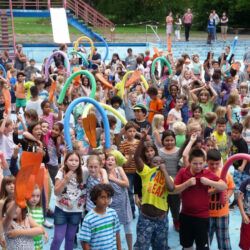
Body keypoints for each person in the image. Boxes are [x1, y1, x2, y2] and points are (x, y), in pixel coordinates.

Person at [174, 148, 227, 250]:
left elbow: (223, 186)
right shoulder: (183, 172)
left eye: (200, 163)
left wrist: (209, 182)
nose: (198, 166)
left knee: (202, 247)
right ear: (190, 162)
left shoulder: (206, 173)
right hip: (186, 216)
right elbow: (174, 190)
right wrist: (187, 184)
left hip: (202, 217)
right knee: (187, 246)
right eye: (195, 163)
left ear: (204, 162)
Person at [134, 128, 175, 250]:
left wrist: (164, 171)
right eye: (155, 162)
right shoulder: (146, 172)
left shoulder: (168, 178)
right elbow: (136, 158)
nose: (157, 163)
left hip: (161, 219)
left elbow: (171, 188)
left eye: (160, 162)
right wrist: (142, 139)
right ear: (151, 164)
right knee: (142, 246)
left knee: (160, 247)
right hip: (145, 217)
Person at [50, 151, 89, 250]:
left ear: (80, 162)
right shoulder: (61, 171)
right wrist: (66, 178)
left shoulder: (84, 171)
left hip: (76, 211)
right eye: (71, 160)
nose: (74, 162)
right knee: (58, 238)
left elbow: (97, 168)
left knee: (70, 239)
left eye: (76, 160)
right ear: (65, 162)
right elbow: (56, 192)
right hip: (61, 210)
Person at [79, 183, 122, 250]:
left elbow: (117, 234)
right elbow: (85, 242)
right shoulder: (89, 219)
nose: (106, 201)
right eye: (102, 197)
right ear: (95, 199)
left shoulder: (113, 213)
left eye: (108, 197)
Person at [207, 149, 234, 250]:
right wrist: (216, 190)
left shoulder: (226, 174)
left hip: (222, 214)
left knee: (224, 240)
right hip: (207, 214)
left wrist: (228, 195)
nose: (214, 166)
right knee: (206, 239)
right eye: (211, 164)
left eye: (217, 163)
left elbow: (231, 187)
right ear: (206, 161)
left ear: (220, 161)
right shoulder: (204, 174)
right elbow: (201, 194)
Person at [105, 154, 133, 250]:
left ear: (116, 163)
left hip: (123, 202)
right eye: (108, 159)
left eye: (113, 160)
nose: (110, 161)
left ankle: (130, 248)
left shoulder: (119, 169)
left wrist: (113, 179)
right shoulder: (104, 173)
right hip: (112, 204)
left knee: (128, 228)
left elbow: (126, 183)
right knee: (114, 229)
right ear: (105, 162)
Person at [119, 121, 140, 218]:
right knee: (129, 191)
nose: (132, 133)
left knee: (139, 191)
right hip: (127, 171)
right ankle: (131, 211)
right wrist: (130, 155)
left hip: (138, 171)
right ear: (126, 132)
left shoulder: (139, 143)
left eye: (134, 131)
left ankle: (142, 211)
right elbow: (122, 158)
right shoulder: (123, 144)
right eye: (129, 131)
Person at [27, 185, 49, 250]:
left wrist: (44, 233)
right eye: (32, 195)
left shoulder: (40, 209)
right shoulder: (26, 209)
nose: (35, 199)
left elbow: (41, 224)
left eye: (38, 196)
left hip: (38, 242)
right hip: (28, 242)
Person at [238, 177, 250, 250]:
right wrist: (243, 214)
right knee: (245, 241)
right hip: (247, 217)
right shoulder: (246, 182)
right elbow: (239, 198)